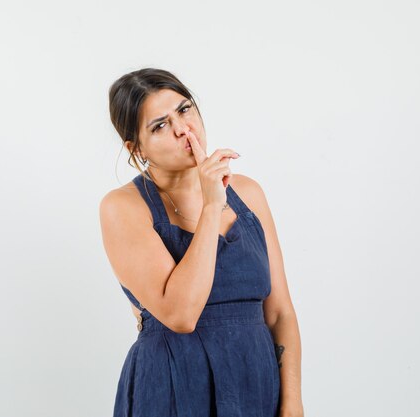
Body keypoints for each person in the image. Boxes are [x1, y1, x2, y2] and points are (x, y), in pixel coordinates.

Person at [99, 68, 304, 417]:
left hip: (255, 386)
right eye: (159, 125)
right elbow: (181, 315)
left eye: (184, 109)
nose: (183, 129)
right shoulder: (122, 207)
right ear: (136, 148)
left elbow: (280, 312)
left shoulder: (248, 193)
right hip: (173, 389)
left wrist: (292, 404)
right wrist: (211, 205)